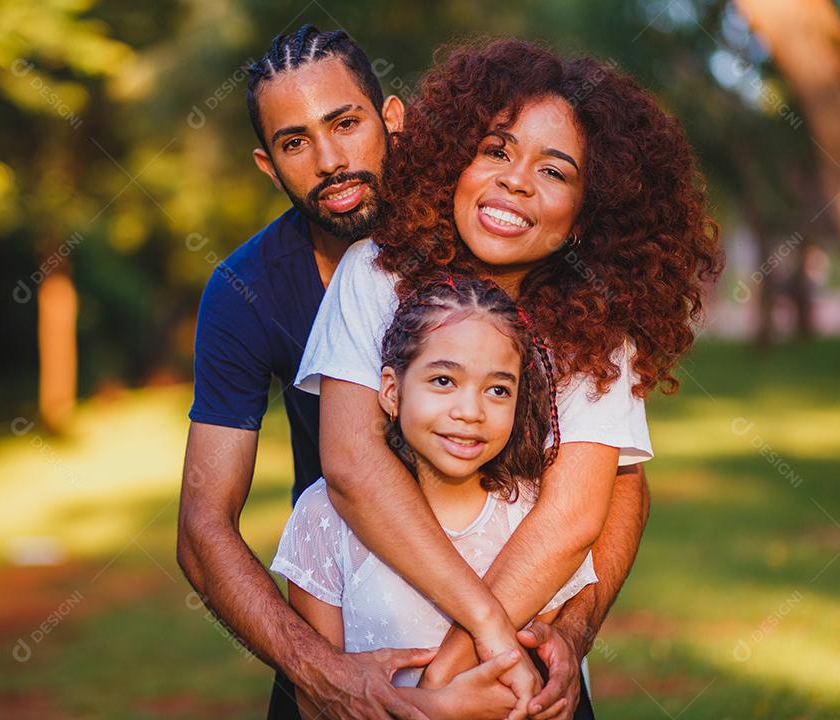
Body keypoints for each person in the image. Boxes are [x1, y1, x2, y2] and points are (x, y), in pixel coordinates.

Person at [179, 27, 659, 720]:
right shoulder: (312, 280)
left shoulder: (573, 298)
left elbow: (608, 493)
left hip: (518, 640)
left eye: (345, 124)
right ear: (268, 163)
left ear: (394, 121)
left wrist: (567, 632)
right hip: (353, 620)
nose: (329, 160)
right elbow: (216, 521)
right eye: (295, 142)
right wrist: (328, 675)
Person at [297, 37, 723, 718]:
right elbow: (351, 463)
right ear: (454, 162)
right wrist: (474, 646)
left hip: (519, 688)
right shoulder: (375, 272)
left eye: (554, 172)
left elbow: (574, 517)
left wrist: (446, 682)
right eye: (495, 151)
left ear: (587, 214)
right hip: (388, 665)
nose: (516, 181)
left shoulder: (597, 329)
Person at [274, 277, 598, 720]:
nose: (470, 412)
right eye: (444, 380)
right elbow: (319, 701)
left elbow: (530, 691)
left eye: (498, 389)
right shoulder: (324, 517)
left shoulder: (532, 519)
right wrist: (440, 708)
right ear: (391, 390)